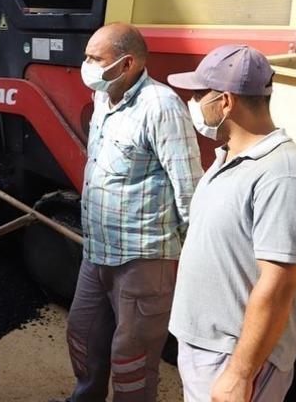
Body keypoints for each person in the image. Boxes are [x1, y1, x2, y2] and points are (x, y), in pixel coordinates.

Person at [167, 45, 296, 402]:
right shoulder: (229, 156)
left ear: (225, 101)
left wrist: (240, 373)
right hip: (209, 349)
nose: (192, 102)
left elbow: (279, 285)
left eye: (198, 94)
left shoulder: (284, 174)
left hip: (235, 359)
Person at [63, 23, 203, 402]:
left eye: (95, 58)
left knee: (132, 359)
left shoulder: (161, 106)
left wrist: (191, 262)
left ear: (126, 64)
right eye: (87, 56)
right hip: (98, 251)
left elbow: (188, 188)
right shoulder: (103, 98)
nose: (86, 65)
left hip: (143, 258)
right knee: (82, 334)